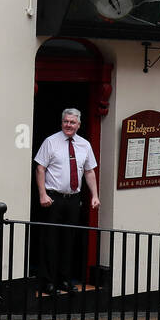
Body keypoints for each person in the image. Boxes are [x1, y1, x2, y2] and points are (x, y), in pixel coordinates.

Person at [33, 108, 100, 295]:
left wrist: (94, 195)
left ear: (79, 124)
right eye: (66, 122)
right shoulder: (51, 142)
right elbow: (40, 169)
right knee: (51, 241)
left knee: (69, 240)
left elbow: (89, 171)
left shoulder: (84, 145)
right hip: (53, 198)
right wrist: (42, 194)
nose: (68, 125)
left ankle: (64, 279)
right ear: (61, 123)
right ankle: (48, 282)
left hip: (73, 199)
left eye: (72, 122)